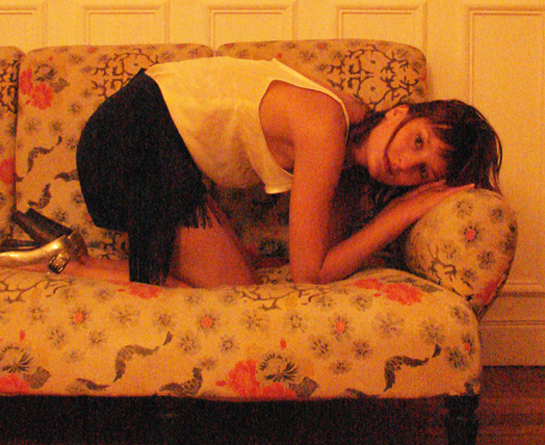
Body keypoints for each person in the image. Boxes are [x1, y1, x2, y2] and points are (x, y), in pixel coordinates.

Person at [69, 56, 501, 288]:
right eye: (418, 141)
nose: (403, 163)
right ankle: (67, 264)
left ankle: (72, 258)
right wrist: (400, 214)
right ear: (400, 113)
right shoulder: (328, 126)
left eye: (421, 173)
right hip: (128, 140)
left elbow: (325, 254)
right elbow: (309, 275)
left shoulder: (351, 149)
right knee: (232, 289)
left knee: (240, 276)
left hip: (164, 149)